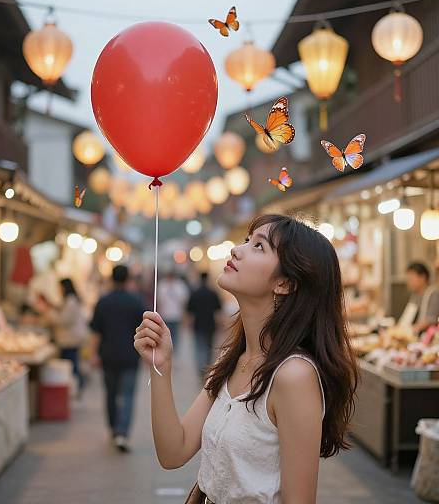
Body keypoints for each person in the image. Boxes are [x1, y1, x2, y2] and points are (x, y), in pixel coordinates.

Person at [134, 214, 358, 503]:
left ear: (285, 284)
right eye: (246, 241)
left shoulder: (293, 376)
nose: (236, 250)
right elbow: (173, 452)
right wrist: (160, 365)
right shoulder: (232, 360)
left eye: (259, 247)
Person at [90, 265, 145, 453]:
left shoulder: (103, 301)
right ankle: (123, 433)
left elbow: (96, 332)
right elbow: (144, 330)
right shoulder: (136, 301)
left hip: (108, 355)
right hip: (131, 355)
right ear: (128, 278)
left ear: (111, 278)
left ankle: (113, 429)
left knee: (111, 394)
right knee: (128, 395)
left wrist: (94, 354)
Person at [46, 279, 89, 393]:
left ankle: (75, 388)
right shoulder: (69, 301)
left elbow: (64, 320)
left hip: (70, 339)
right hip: (70, 338)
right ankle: (76, 387)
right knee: (72, 364)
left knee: (71, 365)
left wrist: (50, 313)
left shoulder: (71, 301)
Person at [187, 272, 222, 378]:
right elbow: (218, 311)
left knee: (199, 347)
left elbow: (190, 311)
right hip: (210, 325)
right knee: (208, 347)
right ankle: (206, 367)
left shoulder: (195, 293)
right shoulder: (213, 293)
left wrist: (189, 324)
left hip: (198, 325)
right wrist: (220, 324)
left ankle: (200, 368)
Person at [399, 262, 439, 335]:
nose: (409, 282)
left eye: (411, 279)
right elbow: (407, 317)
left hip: (433, 338)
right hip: (418, 336)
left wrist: (409, 331)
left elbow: (431, 320)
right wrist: (399, 329)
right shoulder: (415, 295)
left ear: (423, 277)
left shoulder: (434, 293)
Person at [156, 270, 189, 354]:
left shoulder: (179, 285)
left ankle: (174, 352)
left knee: (176, 336)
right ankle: (167, 351)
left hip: (177, 315)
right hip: (165, 315)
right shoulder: (162, 284)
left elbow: (183, 300)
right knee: (166, 335)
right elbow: (159, 300)